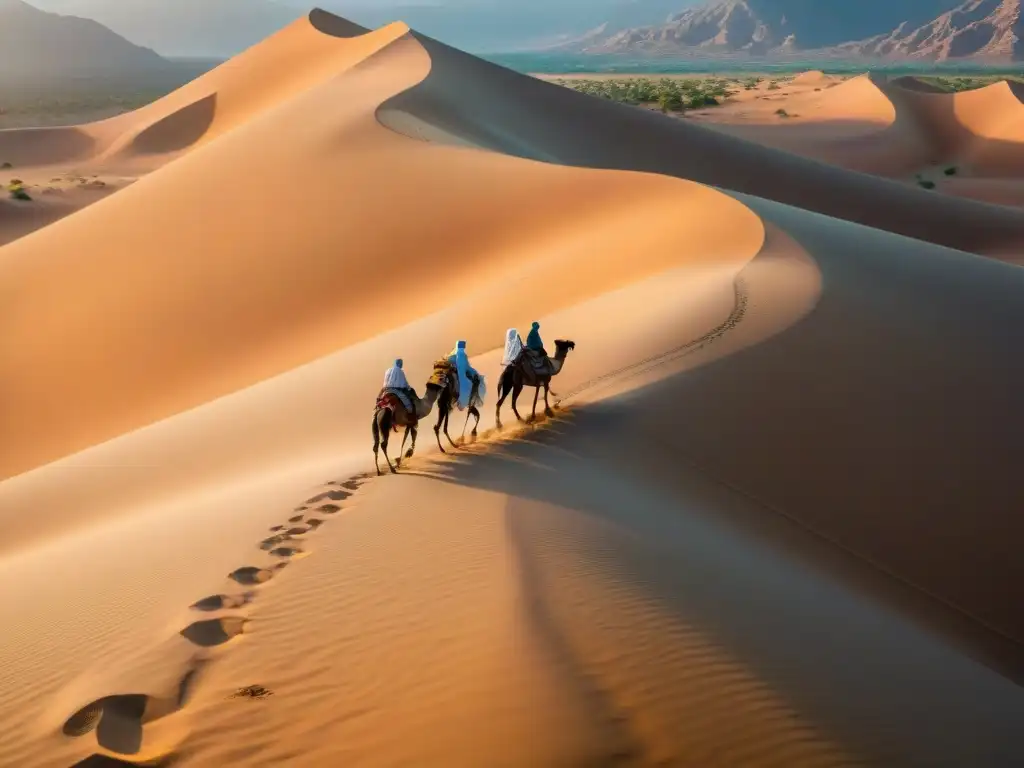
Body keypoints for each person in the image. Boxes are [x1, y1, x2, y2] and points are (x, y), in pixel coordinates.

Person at [447, 340, 480, 410]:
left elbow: (449, 362)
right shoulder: (463, 355)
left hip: (453, 371)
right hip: (462, 374)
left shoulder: (452, 355)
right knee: (473, 382)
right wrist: (474, 372)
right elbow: (466, 366)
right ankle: (466, 402)